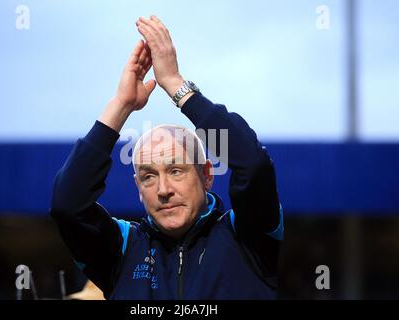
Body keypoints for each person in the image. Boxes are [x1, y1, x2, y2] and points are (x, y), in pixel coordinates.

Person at [50, 15, 283, 299]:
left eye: (176, 171)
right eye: (148, 176)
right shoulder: (122, 249)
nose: (163, 190)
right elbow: (67, 204)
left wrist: (175, 84)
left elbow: (253, 164)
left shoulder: (248, 236)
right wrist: (121, 105)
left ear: (207, 175)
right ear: (137, 188)